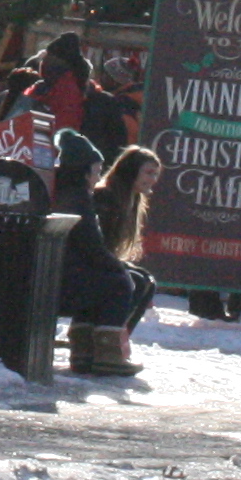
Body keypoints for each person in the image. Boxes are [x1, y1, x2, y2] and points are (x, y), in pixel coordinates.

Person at [63, 144, 160, 373]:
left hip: (91, 263)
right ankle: (101, 351)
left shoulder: (131, 198)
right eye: (148, 172)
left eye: (156, 174)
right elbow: (93, 246)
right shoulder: (105, 197)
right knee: (125, 281)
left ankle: (98, 347)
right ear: (130, 170)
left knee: (143, 280)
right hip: (79, 267)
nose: (153, 179)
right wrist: (117, 266)